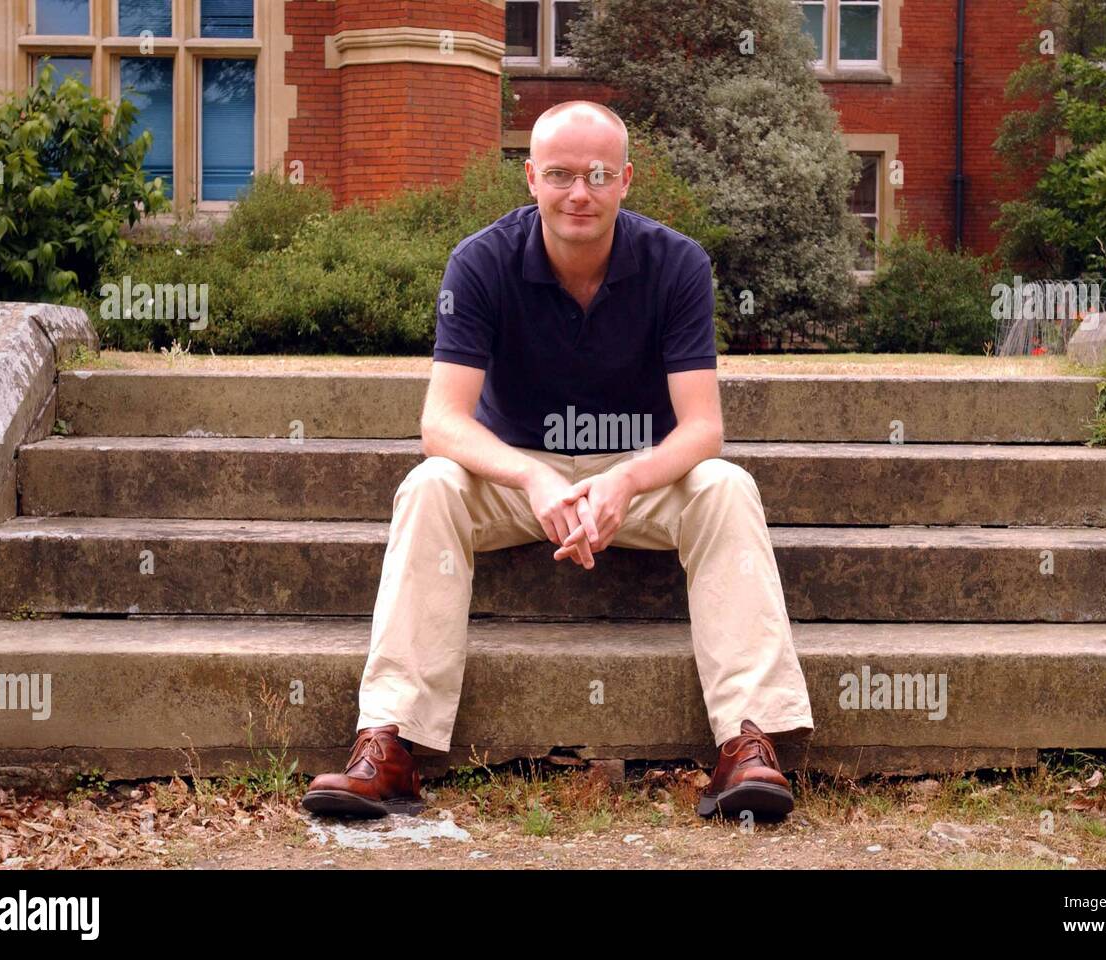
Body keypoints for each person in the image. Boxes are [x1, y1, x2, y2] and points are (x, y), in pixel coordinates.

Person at [301, 100, 814, 822]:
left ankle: (747, 743)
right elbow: (441, 422)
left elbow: (702, 430)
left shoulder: (677, 263)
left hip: (637, 475)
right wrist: (532, 475)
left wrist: (628, 477)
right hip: (517, 474)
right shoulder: (480, 262)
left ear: (627, 180)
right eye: (562, 174)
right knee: (430, 487)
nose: (581, 192)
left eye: (599, 174)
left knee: (726, 487)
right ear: (531, 178)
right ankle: (387, 744)